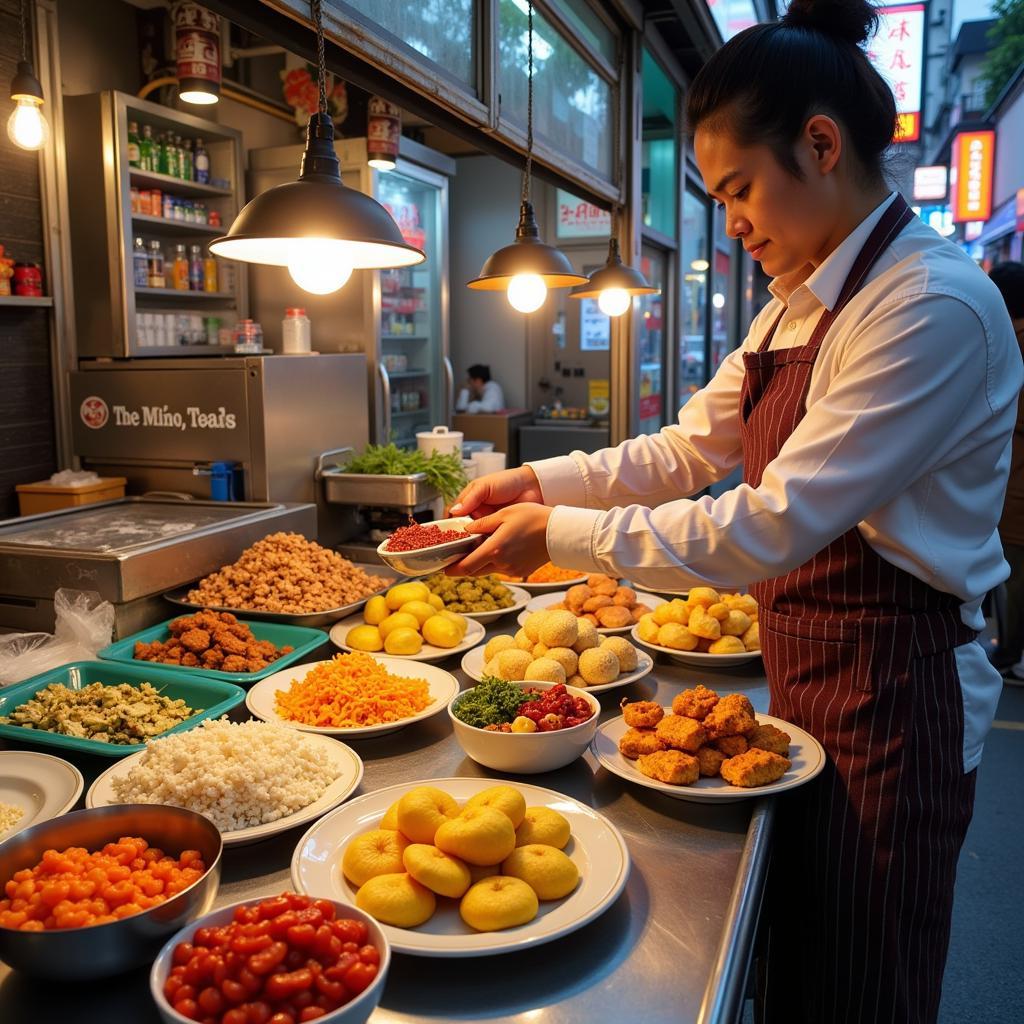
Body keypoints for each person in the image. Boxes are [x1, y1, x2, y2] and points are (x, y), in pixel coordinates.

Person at [446, 2, 1023, 1021]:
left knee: (863, 980)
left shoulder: (923, 307)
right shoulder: (792, 304)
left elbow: (766, 522)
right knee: (797, 954)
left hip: (893, 695)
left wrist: (557, 537)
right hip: (802, 669)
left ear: (820, 143)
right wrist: (540, 484)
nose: (733, 222)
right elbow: (685, 451)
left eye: (739, 189)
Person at [989, 261, 1024, 681]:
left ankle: (1010, 651)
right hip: (1011, 479)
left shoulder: (1013, 344)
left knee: (1016, 572)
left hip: (1017, 485)